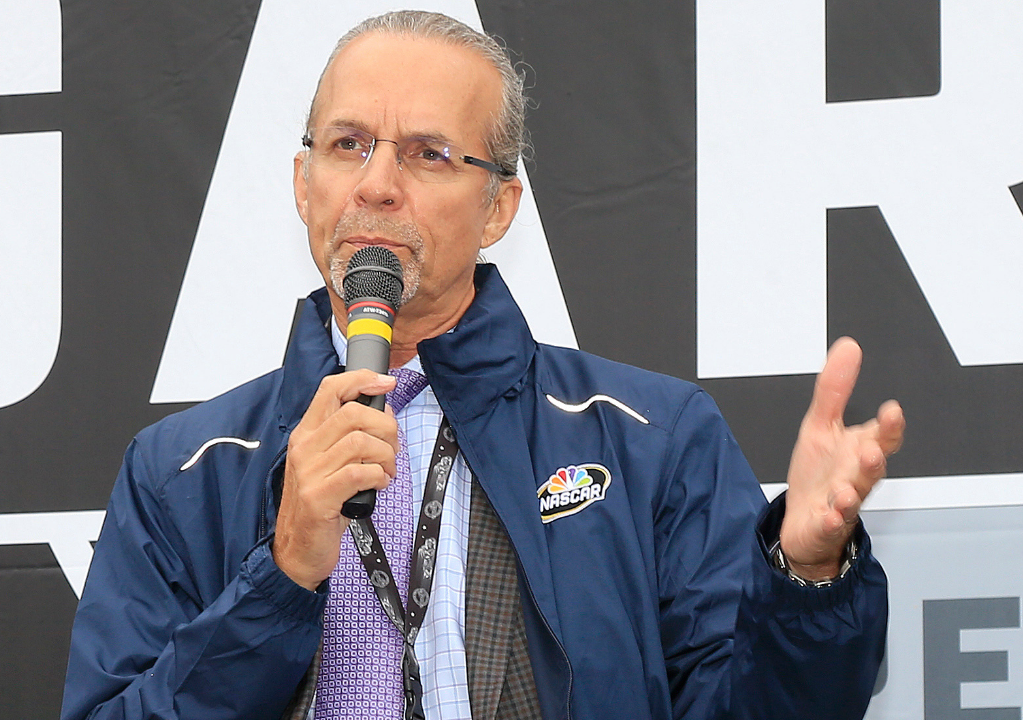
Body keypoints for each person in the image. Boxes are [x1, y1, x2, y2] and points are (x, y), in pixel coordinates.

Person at [61, 10, 905, 720]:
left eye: (428, 154)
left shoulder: (650, 438)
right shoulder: (181, 470)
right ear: (302, 184)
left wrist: (806, 577)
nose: (377, 184)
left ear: (499, 205)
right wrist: (282, 569)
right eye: (348, 144)